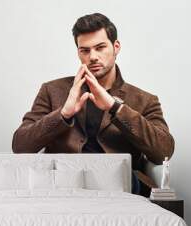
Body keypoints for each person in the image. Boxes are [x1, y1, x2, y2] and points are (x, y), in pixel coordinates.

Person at [11, 13, 175, 195]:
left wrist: (115, 108)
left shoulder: (144, 100)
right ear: (78, 53)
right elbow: (20, 146)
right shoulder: (52, 90)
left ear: (116, 47)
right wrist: (63, 114)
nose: (93, 57)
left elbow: (163, 152)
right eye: (85, 50)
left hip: (121, 189)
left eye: (100, 47)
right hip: (63, 187)